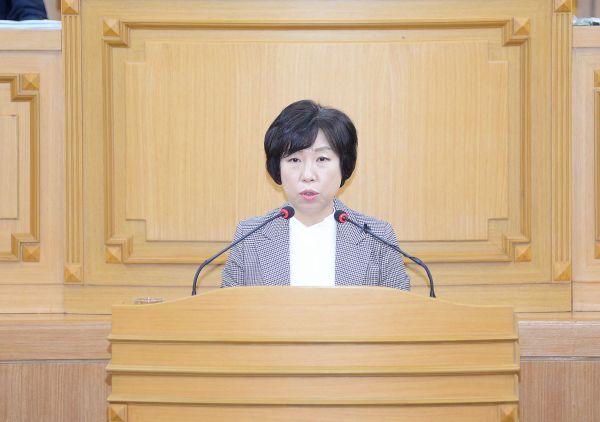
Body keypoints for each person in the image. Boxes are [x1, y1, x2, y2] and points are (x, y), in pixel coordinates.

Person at [221, 99, 410, 290]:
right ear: (277, 167)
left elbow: (400, 308)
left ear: (343, 165)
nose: (308, 175)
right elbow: (229, 307)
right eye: (294, 160)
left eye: (322, 159)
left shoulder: (378, 237)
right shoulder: (249, 236)